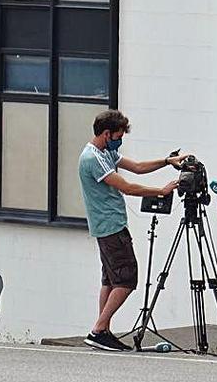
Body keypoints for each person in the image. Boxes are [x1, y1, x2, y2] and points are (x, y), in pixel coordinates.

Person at [79, 109, 186, 351]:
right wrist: (161, 191)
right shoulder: (92, 159)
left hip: (108, 225)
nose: (119, 140)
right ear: (107, 134)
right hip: (110, 226)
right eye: (118, 136)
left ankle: (103, 330)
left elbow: (137, 167)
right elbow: (127, 187)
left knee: (110, 279)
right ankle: (98, 329)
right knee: (127, 279)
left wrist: (167, 161)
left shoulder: (106, 152)